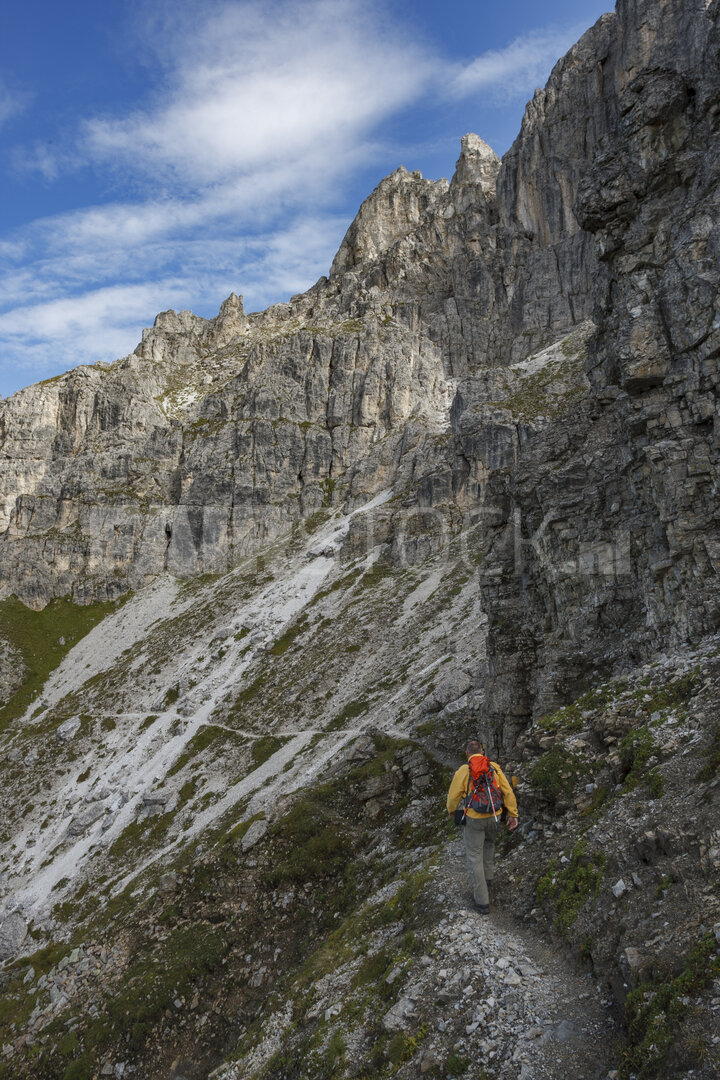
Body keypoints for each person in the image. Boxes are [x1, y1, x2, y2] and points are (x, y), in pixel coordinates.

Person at [446, 739, 519, 914]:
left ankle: (482, 901)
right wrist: (513, 814)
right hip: (495, 815)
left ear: (467, 754)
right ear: (483, 752)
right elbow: (507, 791)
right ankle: (489, 879)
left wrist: (452, 811)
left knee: (474, 856)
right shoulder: (493, 767)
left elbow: (453, 796)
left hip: (474, 818)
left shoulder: (464, 770)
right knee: (489, 845)